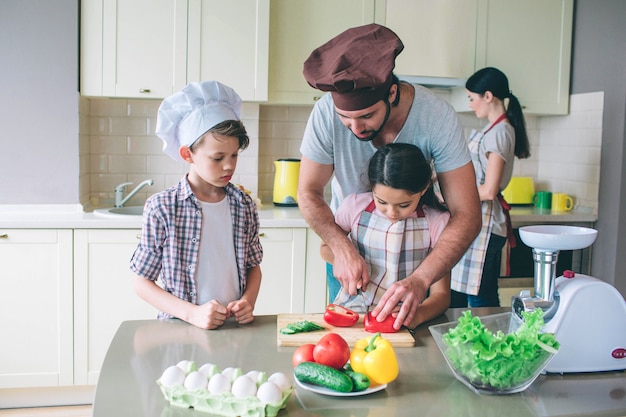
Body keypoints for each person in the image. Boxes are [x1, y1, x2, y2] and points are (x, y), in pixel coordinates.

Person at [298, 23, 482, 330]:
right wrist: (342, 248)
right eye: (345, 118)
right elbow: (308, 192)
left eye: (367, 116)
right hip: (348, 256)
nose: (355, 129)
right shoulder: (324, 114)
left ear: (392, 93)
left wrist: (421, 280)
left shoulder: (436, 117)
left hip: (416, 269)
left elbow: (467, 214)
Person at [130, 80, 263, 330]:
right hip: (179, 327)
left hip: (233, 325)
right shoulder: (162, 208)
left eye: (234, 155)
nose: (229, 166)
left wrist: (248, 301)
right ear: (187, 154)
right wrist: (193, 314)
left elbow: (253, 267)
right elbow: (142, 283)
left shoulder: (243, 204)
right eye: (217, 157)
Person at [321, 143, 451, 328]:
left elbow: (442, 295)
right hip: (354, 317)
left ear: (423, 189)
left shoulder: (436, 222)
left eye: (404, 205)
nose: (391, 212)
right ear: (372, 187)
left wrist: (418, 315)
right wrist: (347, 258)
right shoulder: (354, 206)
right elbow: (325, 248)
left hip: (401, 322)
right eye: (381, 201)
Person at [450, 67, 531, 308]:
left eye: (472, 98)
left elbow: (489, 190)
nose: (471, 104)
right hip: (479, 221)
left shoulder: (500, 132)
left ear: (488, 96)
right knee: (473, 293)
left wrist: (451, 198)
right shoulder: (495, 129)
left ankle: (490, 341)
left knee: (480, 296)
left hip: (486, 223)